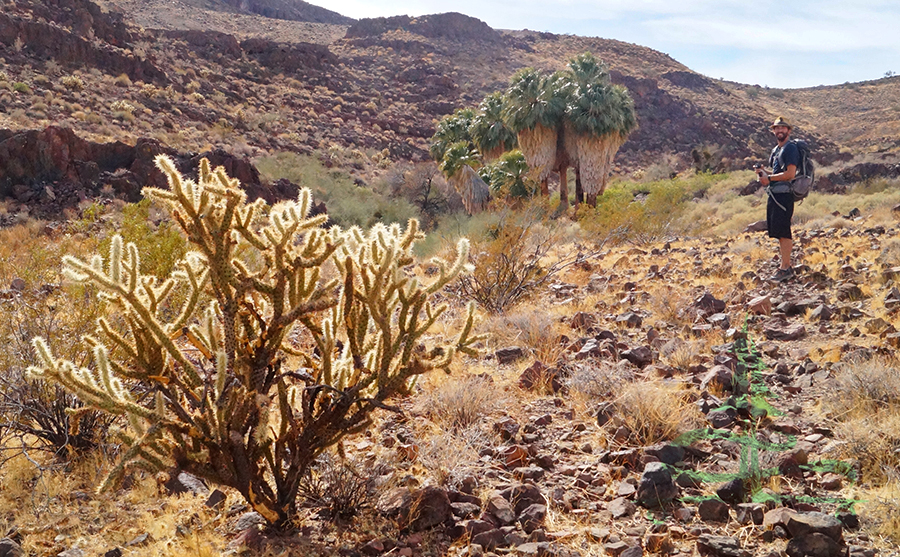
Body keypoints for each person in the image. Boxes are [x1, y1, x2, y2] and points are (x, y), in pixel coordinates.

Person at [756, 116, 799, 282]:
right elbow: (777, 172)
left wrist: (770, 179)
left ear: (788, 130)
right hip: (775, 194)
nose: (779, 131)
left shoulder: (790, 149)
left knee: (784, 231)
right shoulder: (776, 150)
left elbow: (790, 174)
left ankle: (785, 268)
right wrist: (764, 172)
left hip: (784, 195)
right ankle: (785, 265)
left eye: (783, 128)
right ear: (773, 131)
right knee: (779, 231)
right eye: (777, 128)